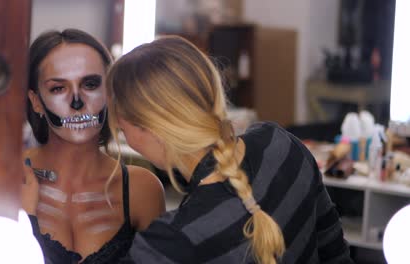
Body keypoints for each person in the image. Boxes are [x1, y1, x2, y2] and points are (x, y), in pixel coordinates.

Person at [105, 36, 355, 263]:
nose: (120, 129)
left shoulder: (170, 243)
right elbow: (336, 254)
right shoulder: (281, 143)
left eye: (121, 123)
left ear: (149, 127)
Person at [21, 29, 165, 264]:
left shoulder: (142, 189)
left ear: (109, 92)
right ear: (36, 101)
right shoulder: (8, 178)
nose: (77, 102)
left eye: (90, 84)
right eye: (58, 88)